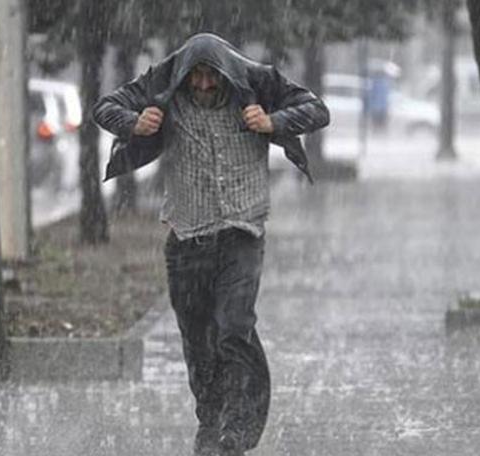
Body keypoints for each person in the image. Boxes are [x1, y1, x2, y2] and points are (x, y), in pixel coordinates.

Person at [93, 33, 329, 456]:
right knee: (199, 342)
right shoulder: (165, 81)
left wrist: (273, 122)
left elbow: (316, 110)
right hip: (186, 236)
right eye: (195, 76)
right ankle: (211, 422)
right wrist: (135, 123)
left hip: (242, 233)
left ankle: (237, 430)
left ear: (226, 72)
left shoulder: (255, 82)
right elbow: (104, 107)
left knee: (234, 330)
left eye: (210, 75)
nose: (202, 84)